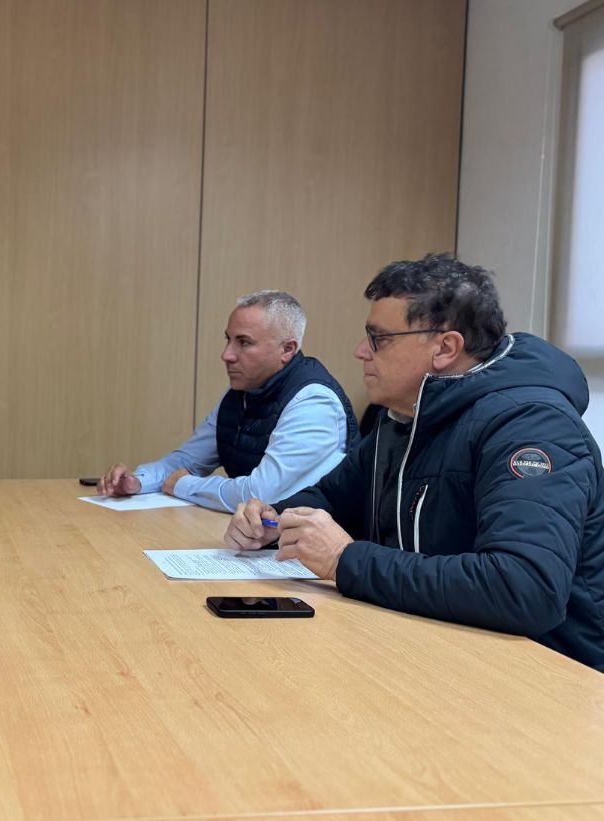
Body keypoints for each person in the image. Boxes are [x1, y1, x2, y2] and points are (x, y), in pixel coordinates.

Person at [225, 253, 604, 671]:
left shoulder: (532, 426)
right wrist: (274, 520)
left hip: (549, 674)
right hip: (433, 648)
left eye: (379, 339)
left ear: (445, 348)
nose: (360, 352)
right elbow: (332, 497)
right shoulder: (404, 416)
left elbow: (525, 589)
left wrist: (344, 561)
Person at [98, 290, 358, 512]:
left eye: (244, 343)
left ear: (287, 349)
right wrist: (138, 481)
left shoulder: (314, 401)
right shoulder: (242, 392)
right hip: (258, 538)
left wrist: (184, 485)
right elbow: (188, 461)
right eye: (229, 339)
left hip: (315, 549)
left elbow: (261, 494)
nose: (227, 355)